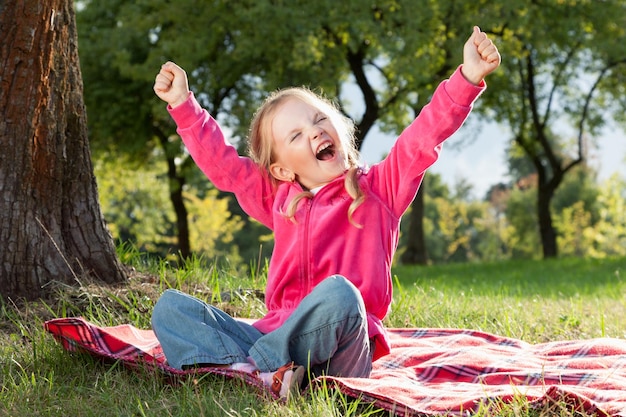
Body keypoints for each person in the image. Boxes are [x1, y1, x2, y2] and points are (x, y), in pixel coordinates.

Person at [151, 26, 500, 400]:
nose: (314, 132)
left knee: (341, 294)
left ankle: (253, 368)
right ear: (283, 170)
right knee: (170, 309)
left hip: (340, 353)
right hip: (271, 334)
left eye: (318, 120)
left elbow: (422, 138)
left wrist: (465, 79)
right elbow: (225, 165)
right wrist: (184, 104)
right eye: (296, 136)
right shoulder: (279, 200)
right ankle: (262, 373)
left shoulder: (379, 189)